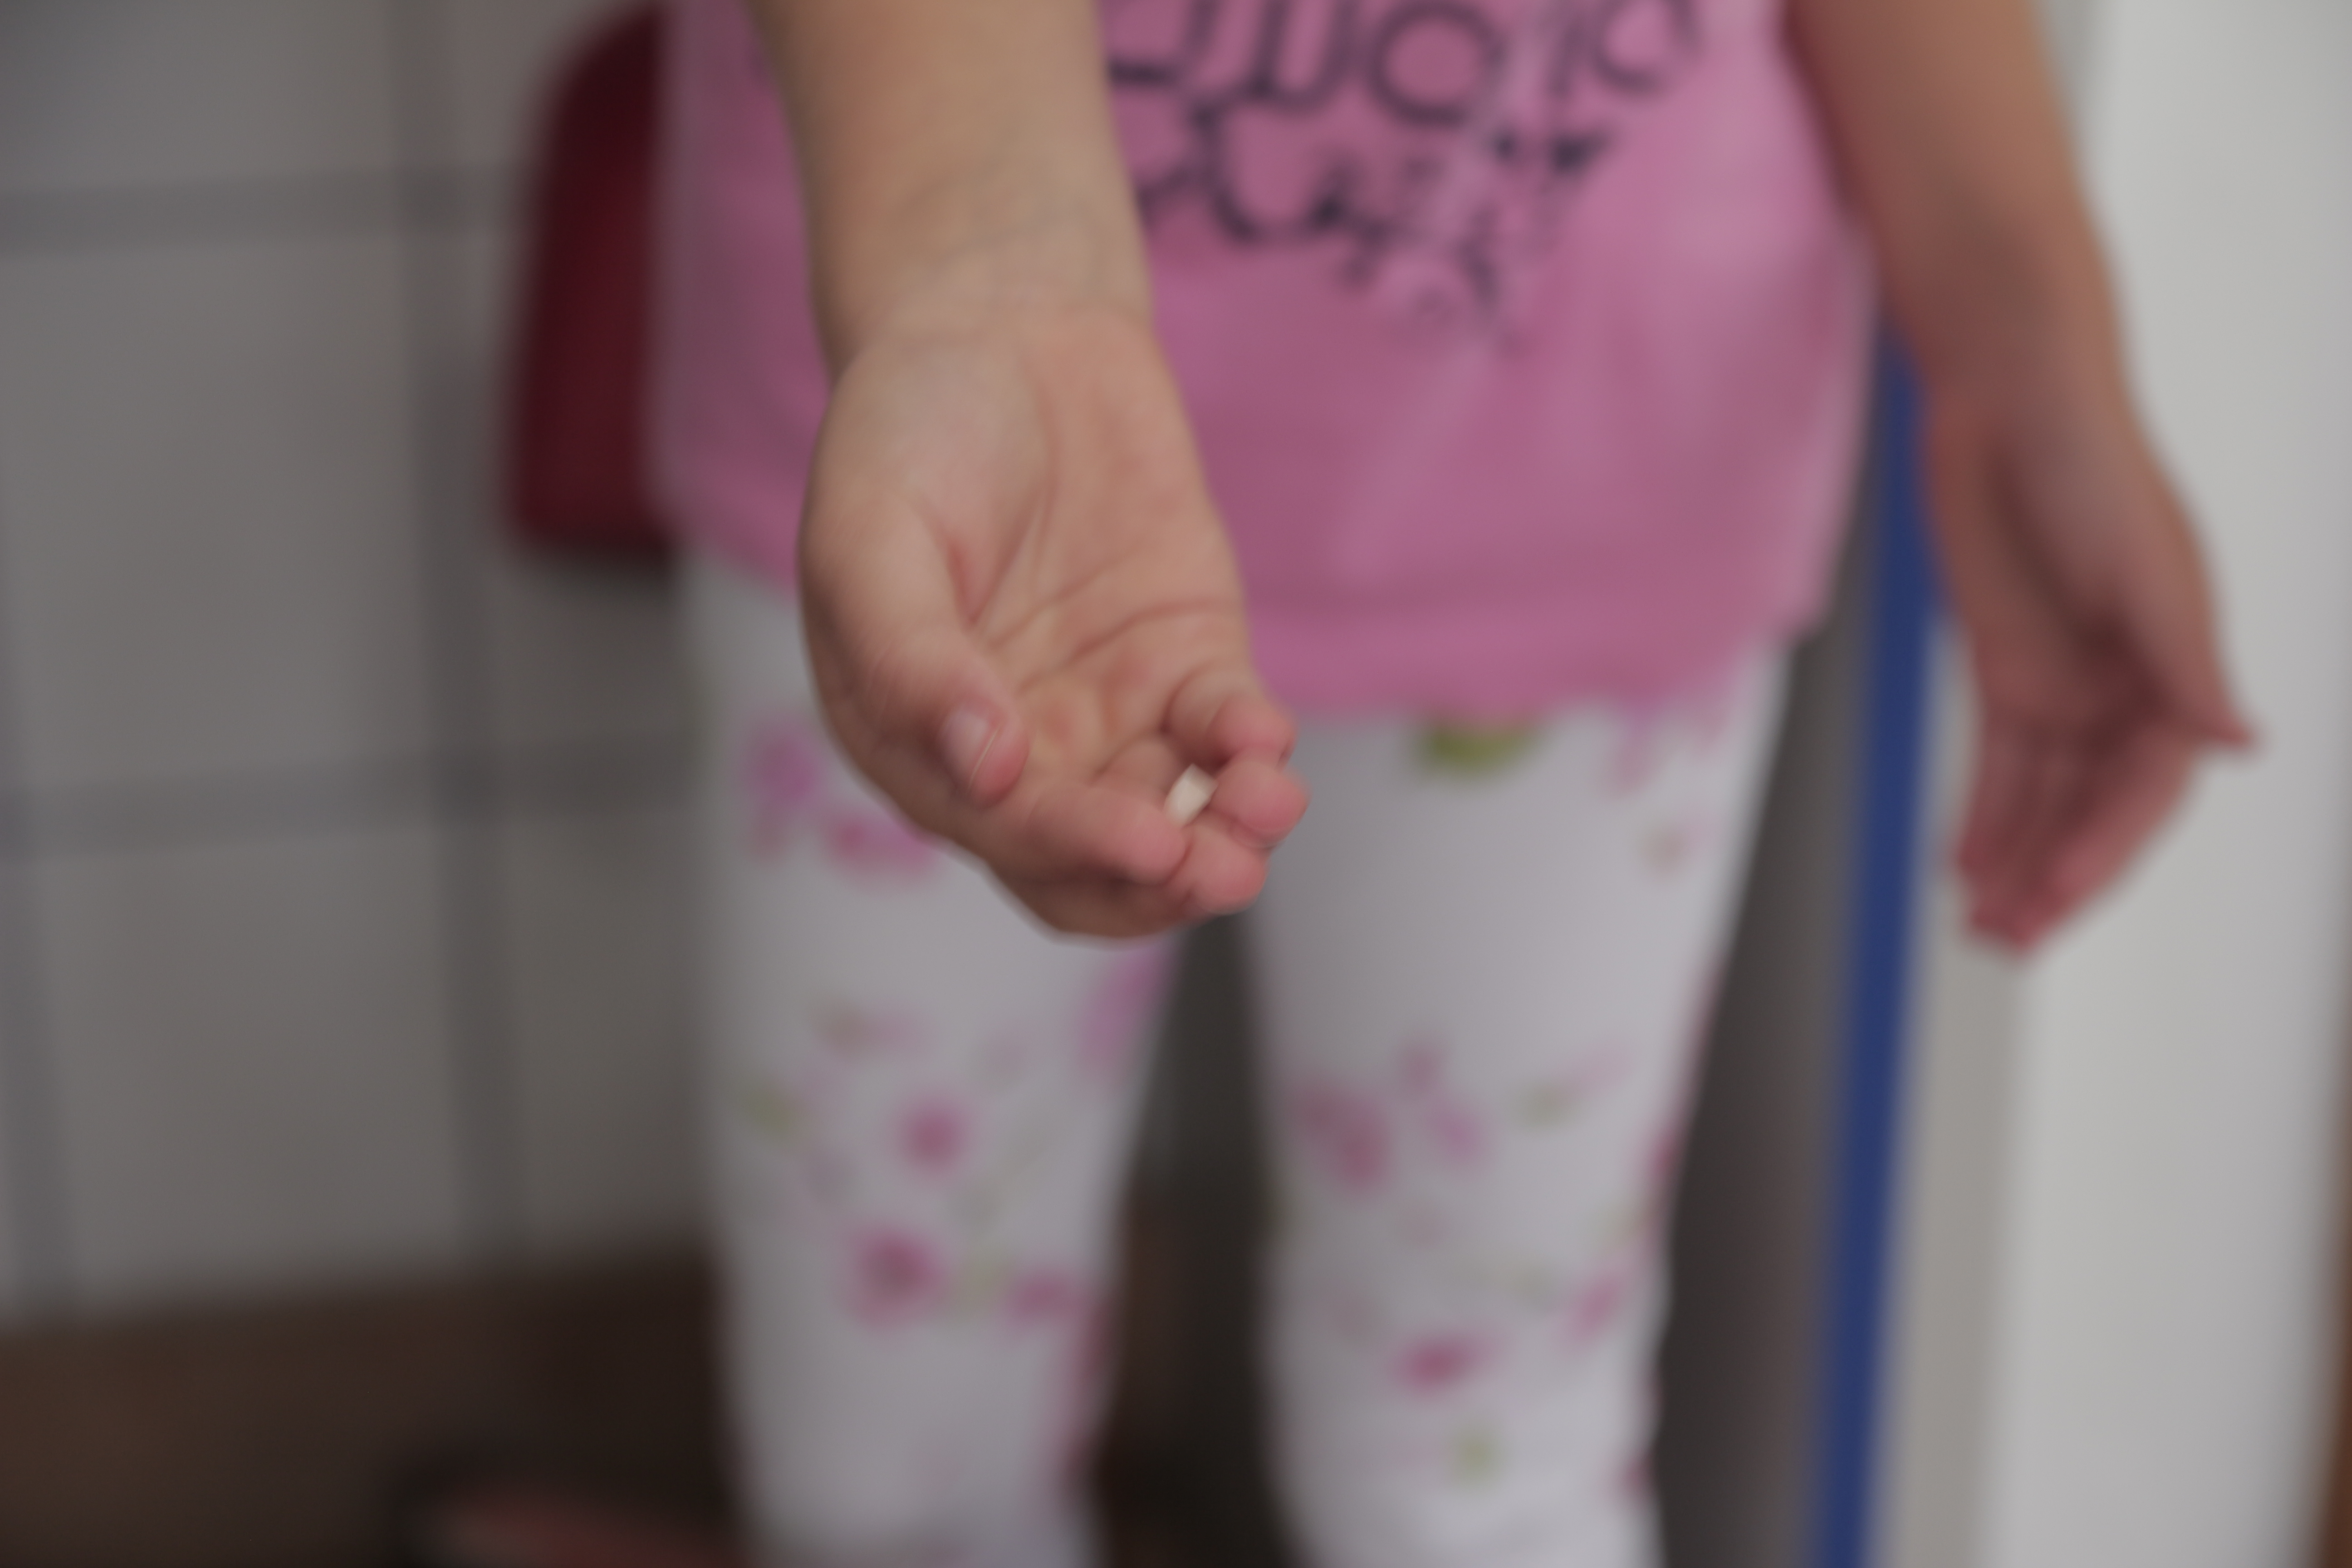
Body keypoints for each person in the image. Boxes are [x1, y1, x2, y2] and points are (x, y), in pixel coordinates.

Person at [647, 0, 2249, 1563]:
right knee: (884, 1439)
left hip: (1593, 454)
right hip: (929, 418)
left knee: (1483, 1454)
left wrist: (2030, 350)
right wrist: (986, 293)